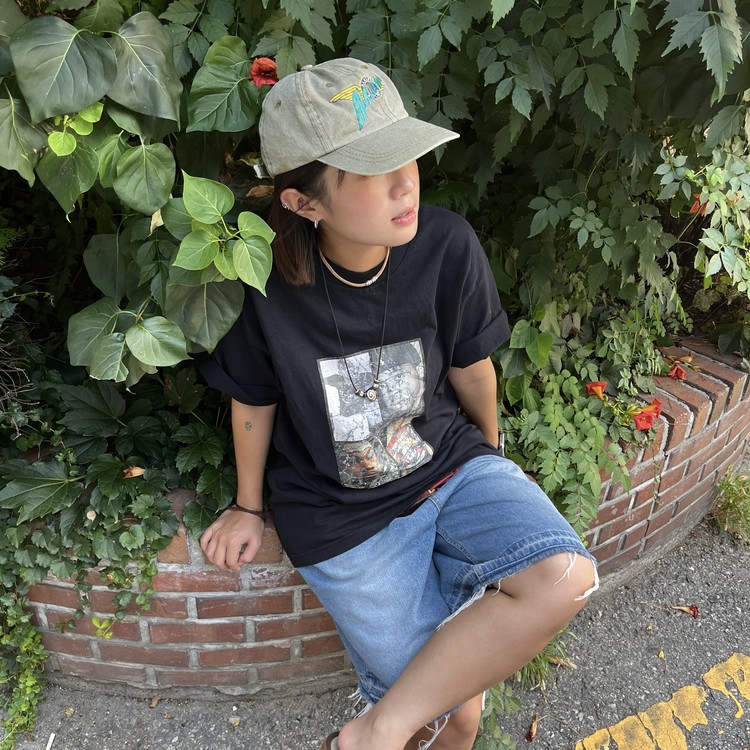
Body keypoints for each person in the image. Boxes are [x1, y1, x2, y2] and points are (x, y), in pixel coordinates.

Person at [199, 58, 598, 750]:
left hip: (449, 467)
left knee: (565, 577)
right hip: (343, 520)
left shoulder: (447, 246)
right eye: (370, 171)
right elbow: (254, 401)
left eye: (406, 155)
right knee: (457, 716)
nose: (404, 182)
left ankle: (368, 734)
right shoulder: (263, 287)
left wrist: (493, 461)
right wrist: (247, 505)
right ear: (304, 203)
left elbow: (472, 370)